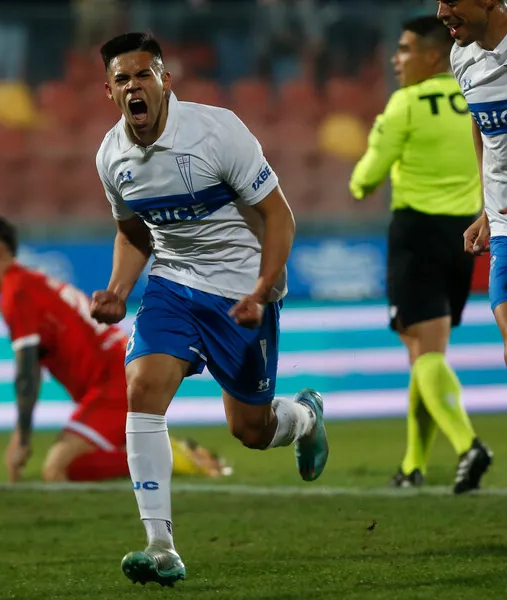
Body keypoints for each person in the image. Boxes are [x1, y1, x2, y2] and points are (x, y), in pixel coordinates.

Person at [88, 32, 328, 587]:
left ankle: (306, 416)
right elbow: (133, 235)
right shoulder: (111, 157)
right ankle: (160, 545)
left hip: (244, 289)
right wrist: (120, 291)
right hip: (173, 286)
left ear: (165, 80)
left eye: (143, 74)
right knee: (141, 390)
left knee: (250, 429)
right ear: (109, 91)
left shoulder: (217, 131)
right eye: (122, 79)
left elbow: (278, 217)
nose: (134, 86)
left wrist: (264, 286)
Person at [0, 216, 230, 483]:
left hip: (112, 383)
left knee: (57, 470)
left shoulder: (16, 292)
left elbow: (27, 372)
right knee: (75, 464)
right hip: (117, 375)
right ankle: (156, 452)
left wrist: (22, 437)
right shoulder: (26, 283)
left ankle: (170, 455)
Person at [349, 15, 492, 494]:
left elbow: (365, 179)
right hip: (467, 235)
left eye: (406, 49)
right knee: (427, 355)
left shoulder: (405, 104)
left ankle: (468, 443)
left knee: (423, 352)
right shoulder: (474, 93)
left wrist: (370, 154)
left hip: (415, 235)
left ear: (433, 55)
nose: (397, 58)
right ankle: (412, 466)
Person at [439, 0, 507, 444]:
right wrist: (487, 209)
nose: (441, 13)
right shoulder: (462, 56)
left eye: (451, 1)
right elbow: (482, 125)